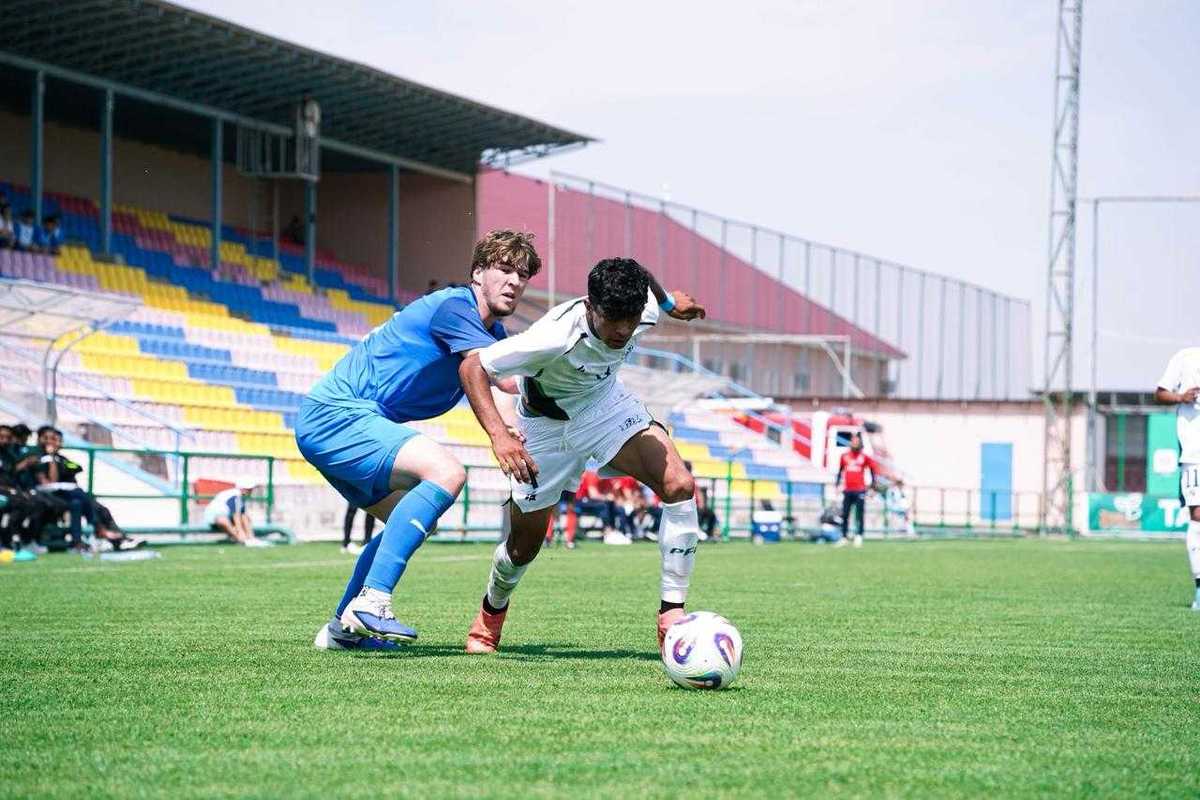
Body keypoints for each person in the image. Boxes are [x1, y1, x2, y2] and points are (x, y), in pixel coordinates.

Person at [295, 229, 538, 651]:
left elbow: (513, 380)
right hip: (337, 415)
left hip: (346, 422)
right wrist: (499, 434)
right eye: (504, 269)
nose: (515, 281)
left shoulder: (489, 333)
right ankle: (373, 600)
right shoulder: (455, 307)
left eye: (522, 274)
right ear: (477, 273)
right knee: (446, 472)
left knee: (407, 523)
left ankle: (341, 629)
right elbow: (478, 370)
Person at [457, 257, 707, 655]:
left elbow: (644, 277)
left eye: (630, 319)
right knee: (524, 546)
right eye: (613, 321)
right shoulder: (553, 337)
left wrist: (665, 303)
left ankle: (672, 615)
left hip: (606, 409)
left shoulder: (635, 310)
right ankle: (492, 611)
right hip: (544, 429)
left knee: (680, 485)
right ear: (591, 307)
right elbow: (473, 366)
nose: (623, 331)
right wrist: (499, 437)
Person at [35, 427, 138, 551]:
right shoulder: (38, 457)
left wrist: (63, 465)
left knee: (84, 504)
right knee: (81, 496)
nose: (55, 443)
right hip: (51, 496)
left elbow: (76, 467)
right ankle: (101, 530)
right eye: (51, 439)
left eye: (57, 440)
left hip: (70, 496)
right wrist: (52, 458)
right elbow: (53, 480)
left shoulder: (62, 459)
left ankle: (108, 539)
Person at [1153, 346, 1200, 610]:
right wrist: (1181, 397)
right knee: (1198, 517)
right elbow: (1160, 393)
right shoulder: (1187, 357)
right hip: (1196, 454)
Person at [836, 433, 889, 548]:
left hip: (860, 490)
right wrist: (837, 485)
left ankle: (859, 536)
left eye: (856, 441)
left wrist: (873, 487)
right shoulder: (844, 456)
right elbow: (840, 471)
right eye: (853, 441)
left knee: (859, 514)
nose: (854, 443)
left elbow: (873, 470)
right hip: (847, 489)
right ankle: (844, 537)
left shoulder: (864, 457)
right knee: (845, 514)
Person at [203, 476, 267, 547]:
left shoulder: (239, 496)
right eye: (249, 489)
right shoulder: (235, 496)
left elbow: (242, 515)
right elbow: (236, 515)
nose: (251, 491)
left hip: (225, 516)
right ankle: (240, 539)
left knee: (245, 517)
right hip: (214, 518)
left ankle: (251, 538)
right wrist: (240, 532)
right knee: (223, 520)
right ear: (243, 489)